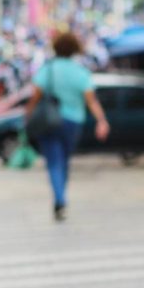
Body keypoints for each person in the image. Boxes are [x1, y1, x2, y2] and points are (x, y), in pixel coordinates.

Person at [25, 32, 110, 221]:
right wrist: (101, 120)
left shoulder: (49, 69)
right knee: (64, 160)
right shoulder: (80, 71)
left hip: (49, 121)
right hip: (73, 122)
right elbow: (91, 101)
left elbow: (35, 96)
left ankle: (59, 198)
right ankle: (61, 196)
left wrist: (28, 114)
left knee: (53, 161)